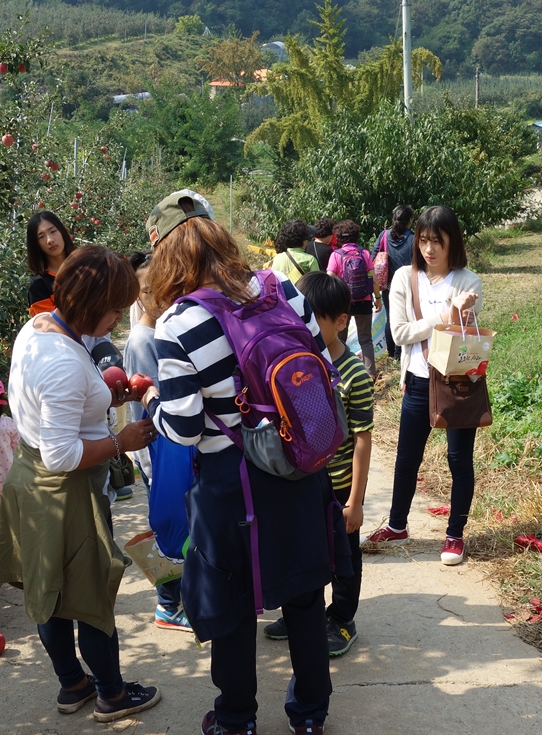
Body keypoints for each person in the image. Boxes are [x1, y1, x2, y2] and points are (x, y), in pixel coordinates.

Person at [141, 189, 347, 735]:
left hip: (232, 482)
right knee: (304, 590)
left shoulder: (178, 324)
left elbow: (183, 429)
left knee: (232, 602)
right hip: (299, 463)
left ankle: (236, 718)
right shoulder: (281, 292)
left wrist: (151, 406)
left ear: (165, 256)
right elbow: (321, 368)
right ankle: (310, 713)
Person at [0, 246, 162, 723]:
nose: (118, 317)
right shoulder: (63, 362)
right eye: (115, 308)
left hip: (30, 477)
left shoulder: (39, 330)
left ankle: (73, 684)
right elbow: (62, 452)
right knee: (88, 597)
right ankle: (111, 693)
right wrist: (121, 440)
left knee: (49, 592)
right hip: (63, 488)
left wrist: (106, 392)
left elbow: (56, 409)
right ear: (91, 305)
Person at [263, 272, 373, 658]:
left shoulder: (355, 374)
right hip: (307, 482)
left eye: (313, 319)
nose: (302, 326)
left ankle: (343, 619)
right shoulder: (300, 365)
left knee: (344, 556)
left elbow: (362, 439)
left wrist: (356, 501)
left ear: (340, 321)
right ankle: (304, 613)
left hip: (340, 486)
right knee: (307, 552)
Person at [365, 206, 482, 566]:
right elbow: (399, 334)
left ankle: (455, 534)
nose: (429, 249)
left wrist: (453, 318)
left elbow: (464, 338)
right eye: (424, 240)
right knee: (406, 458)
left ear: (453, 243)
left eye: (437, 241)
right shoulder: (404, 277)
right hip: (417, 380)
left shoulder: (468, 282)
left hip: (456, 382)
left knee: (459, 459)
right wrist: (446, 315)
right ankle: (398, 525)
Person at [123, 250, 191, 632]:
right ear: (137, 296)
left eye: (160, 287)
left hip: (168, 449)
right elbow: (152, 402)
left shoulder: (164, 331)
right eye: (146, 290)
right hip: (158, 451)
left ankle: (178, 600)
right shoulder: (143, 340)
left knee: (177, 527)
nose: (157, 296)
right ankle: (168, 604)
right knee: (169, 529)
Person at [326, 219, 380, 377]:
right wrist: (378, 298)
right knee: (365, 340)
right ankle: (370, 373)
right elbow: (374, 279)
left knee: (340, 339)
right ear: (357, 237)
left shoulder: (336, 255)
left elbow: (329, 278)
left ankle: (342, 372)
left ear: (340, 238)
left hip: (344, 303)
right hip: (364, 301)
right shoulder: (364, 253)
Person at [372, 205, 415, 360]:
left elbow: (373, 257)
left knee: (391, 318)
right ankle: (400, 352)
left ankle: (391, 353)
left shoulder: (384, 235)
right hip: (408, 285)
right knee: (406, 318)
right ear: (410, 220)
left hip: (387, 285)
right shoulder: (413, 239)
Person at [26, 211, 74, 317]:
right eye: (41, 237)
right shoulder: (39, 285)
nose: (50, 240)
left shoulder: (86, 267)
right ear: (36, 244)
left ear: (62, 231)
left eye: (53, 231)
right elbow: (50, 327)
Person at [267, 219, 319, 284]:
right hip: (301, 294)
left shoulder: (277, 258)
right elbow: (316, 286)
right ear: (303, 241)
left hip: (282, 294)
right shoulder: (310, 260)